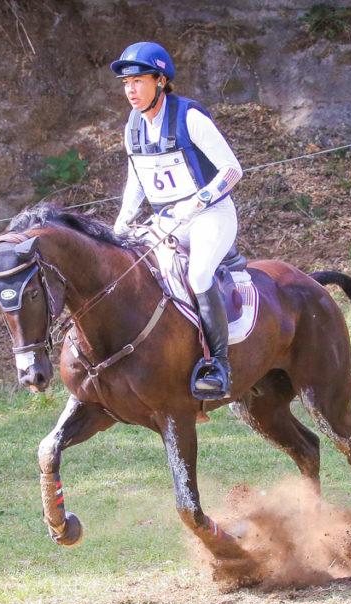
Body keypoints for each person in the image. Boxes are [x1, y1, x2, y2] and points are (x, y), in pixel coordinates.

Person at [110, 42, 243, 398]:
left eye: (138, 81)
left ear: (160, 79)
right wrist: (122, 220)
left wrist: (195, 202)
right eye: (126, 84)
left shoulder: (189, 117)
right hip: (167, 220)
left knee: (198, 274)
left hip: (211, 214)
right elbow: (137, 179)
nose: (131, 90)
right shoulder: (133, 127)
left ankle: (218, 364)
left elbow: (232, 170)